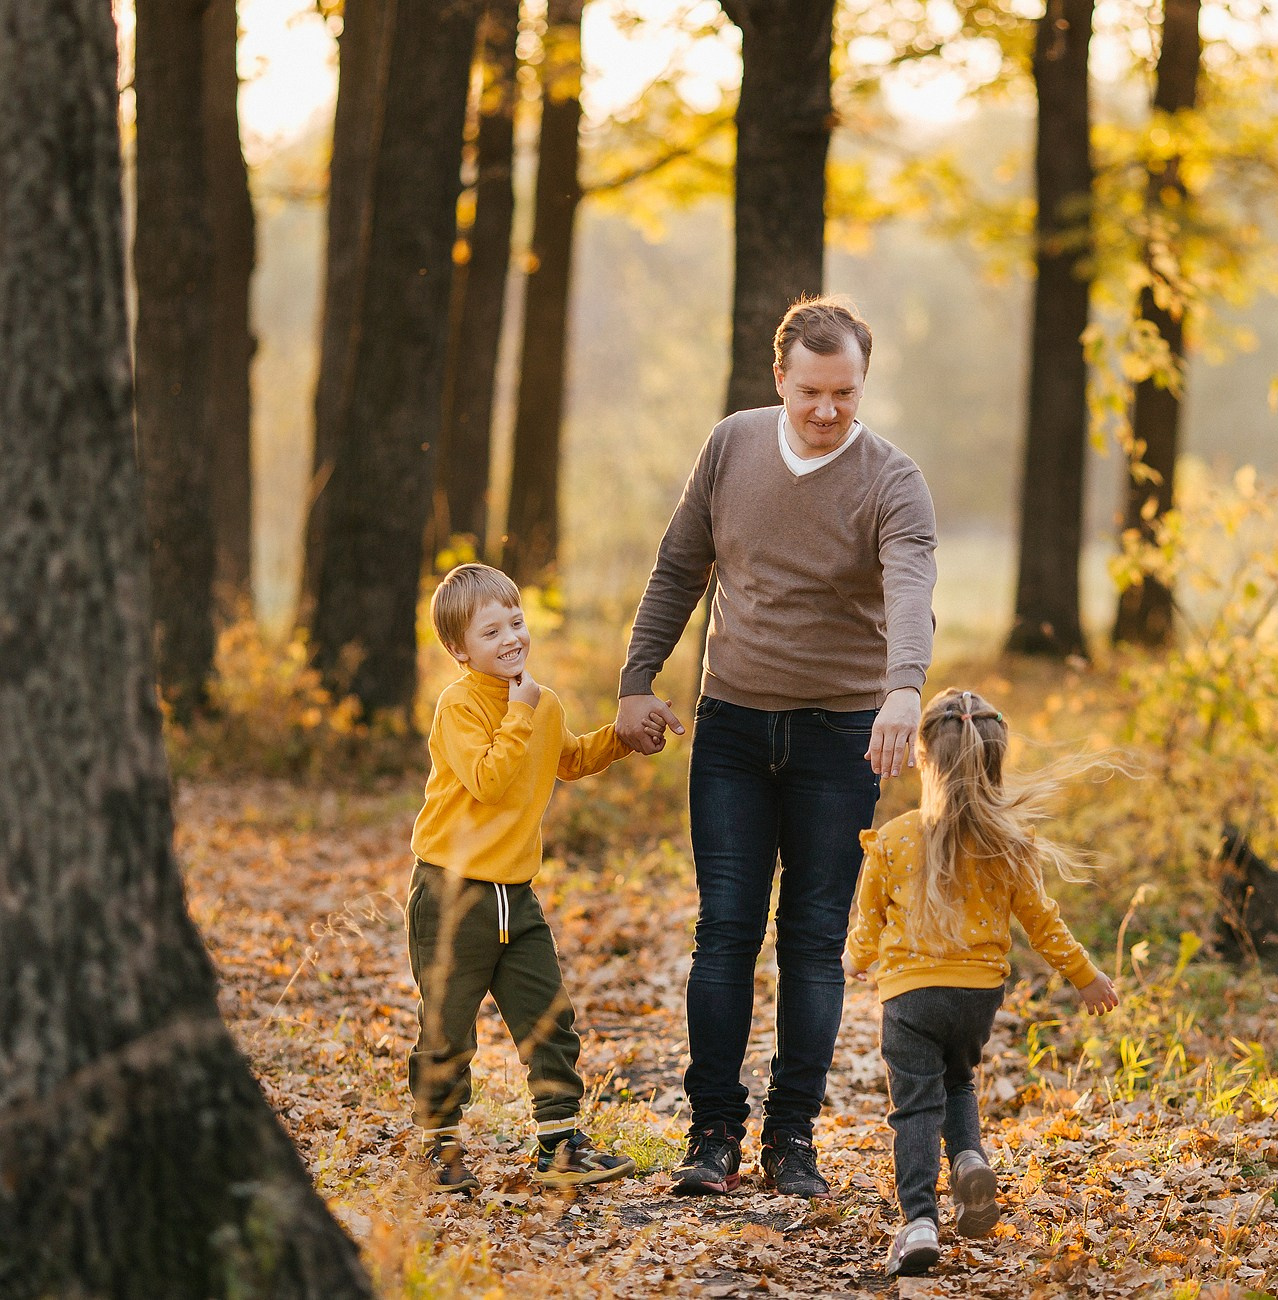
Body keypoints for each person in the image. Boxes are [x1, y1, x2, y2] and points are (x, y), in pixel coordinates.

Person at [614, 297, 938, 1198]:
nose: (827, 410)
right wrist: (638, 679)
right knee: (724, 931)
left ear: (862, 384)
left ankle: (792, 1140)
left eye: (845, 393)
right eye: (810, 392)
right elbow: (681, 564)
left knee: (812, 939)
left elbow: (912, 585)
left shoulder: (892, 479)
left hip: (841, 738)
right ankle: (711, 1133)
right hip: (731, 729)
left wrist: (903, 688)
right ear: (779, 380)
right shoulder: (731, 446)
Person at [842, 688, 1119, 1277]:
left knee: (916, 1106)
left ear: (921, 757)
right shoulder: (1008, 843)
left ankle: (919, 1220)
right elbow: (1043, 923)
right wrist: (1086, 976)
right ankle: (968, 1157)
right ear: (995, 762)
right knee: (959, 1081)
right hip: (977, 995)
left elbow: (869, 920)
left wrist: (855, 960)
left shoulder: (893, 839)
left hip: (910, 995)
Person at [407, 563, 644, 1192]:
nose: (511, 637)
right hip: (451, 893)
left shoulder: (540, 704)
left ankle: (559, 1143)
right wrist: (518, 711)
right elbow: (489, 779)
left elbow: (565, 758)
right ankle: (438, 1143)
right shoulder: (460, 706)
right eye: (492, 631)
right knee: (448, 1026)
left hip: (518, 895)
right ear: (459, 649)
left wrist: (620, 739)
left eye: (516, 621)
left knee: (548, 1015)